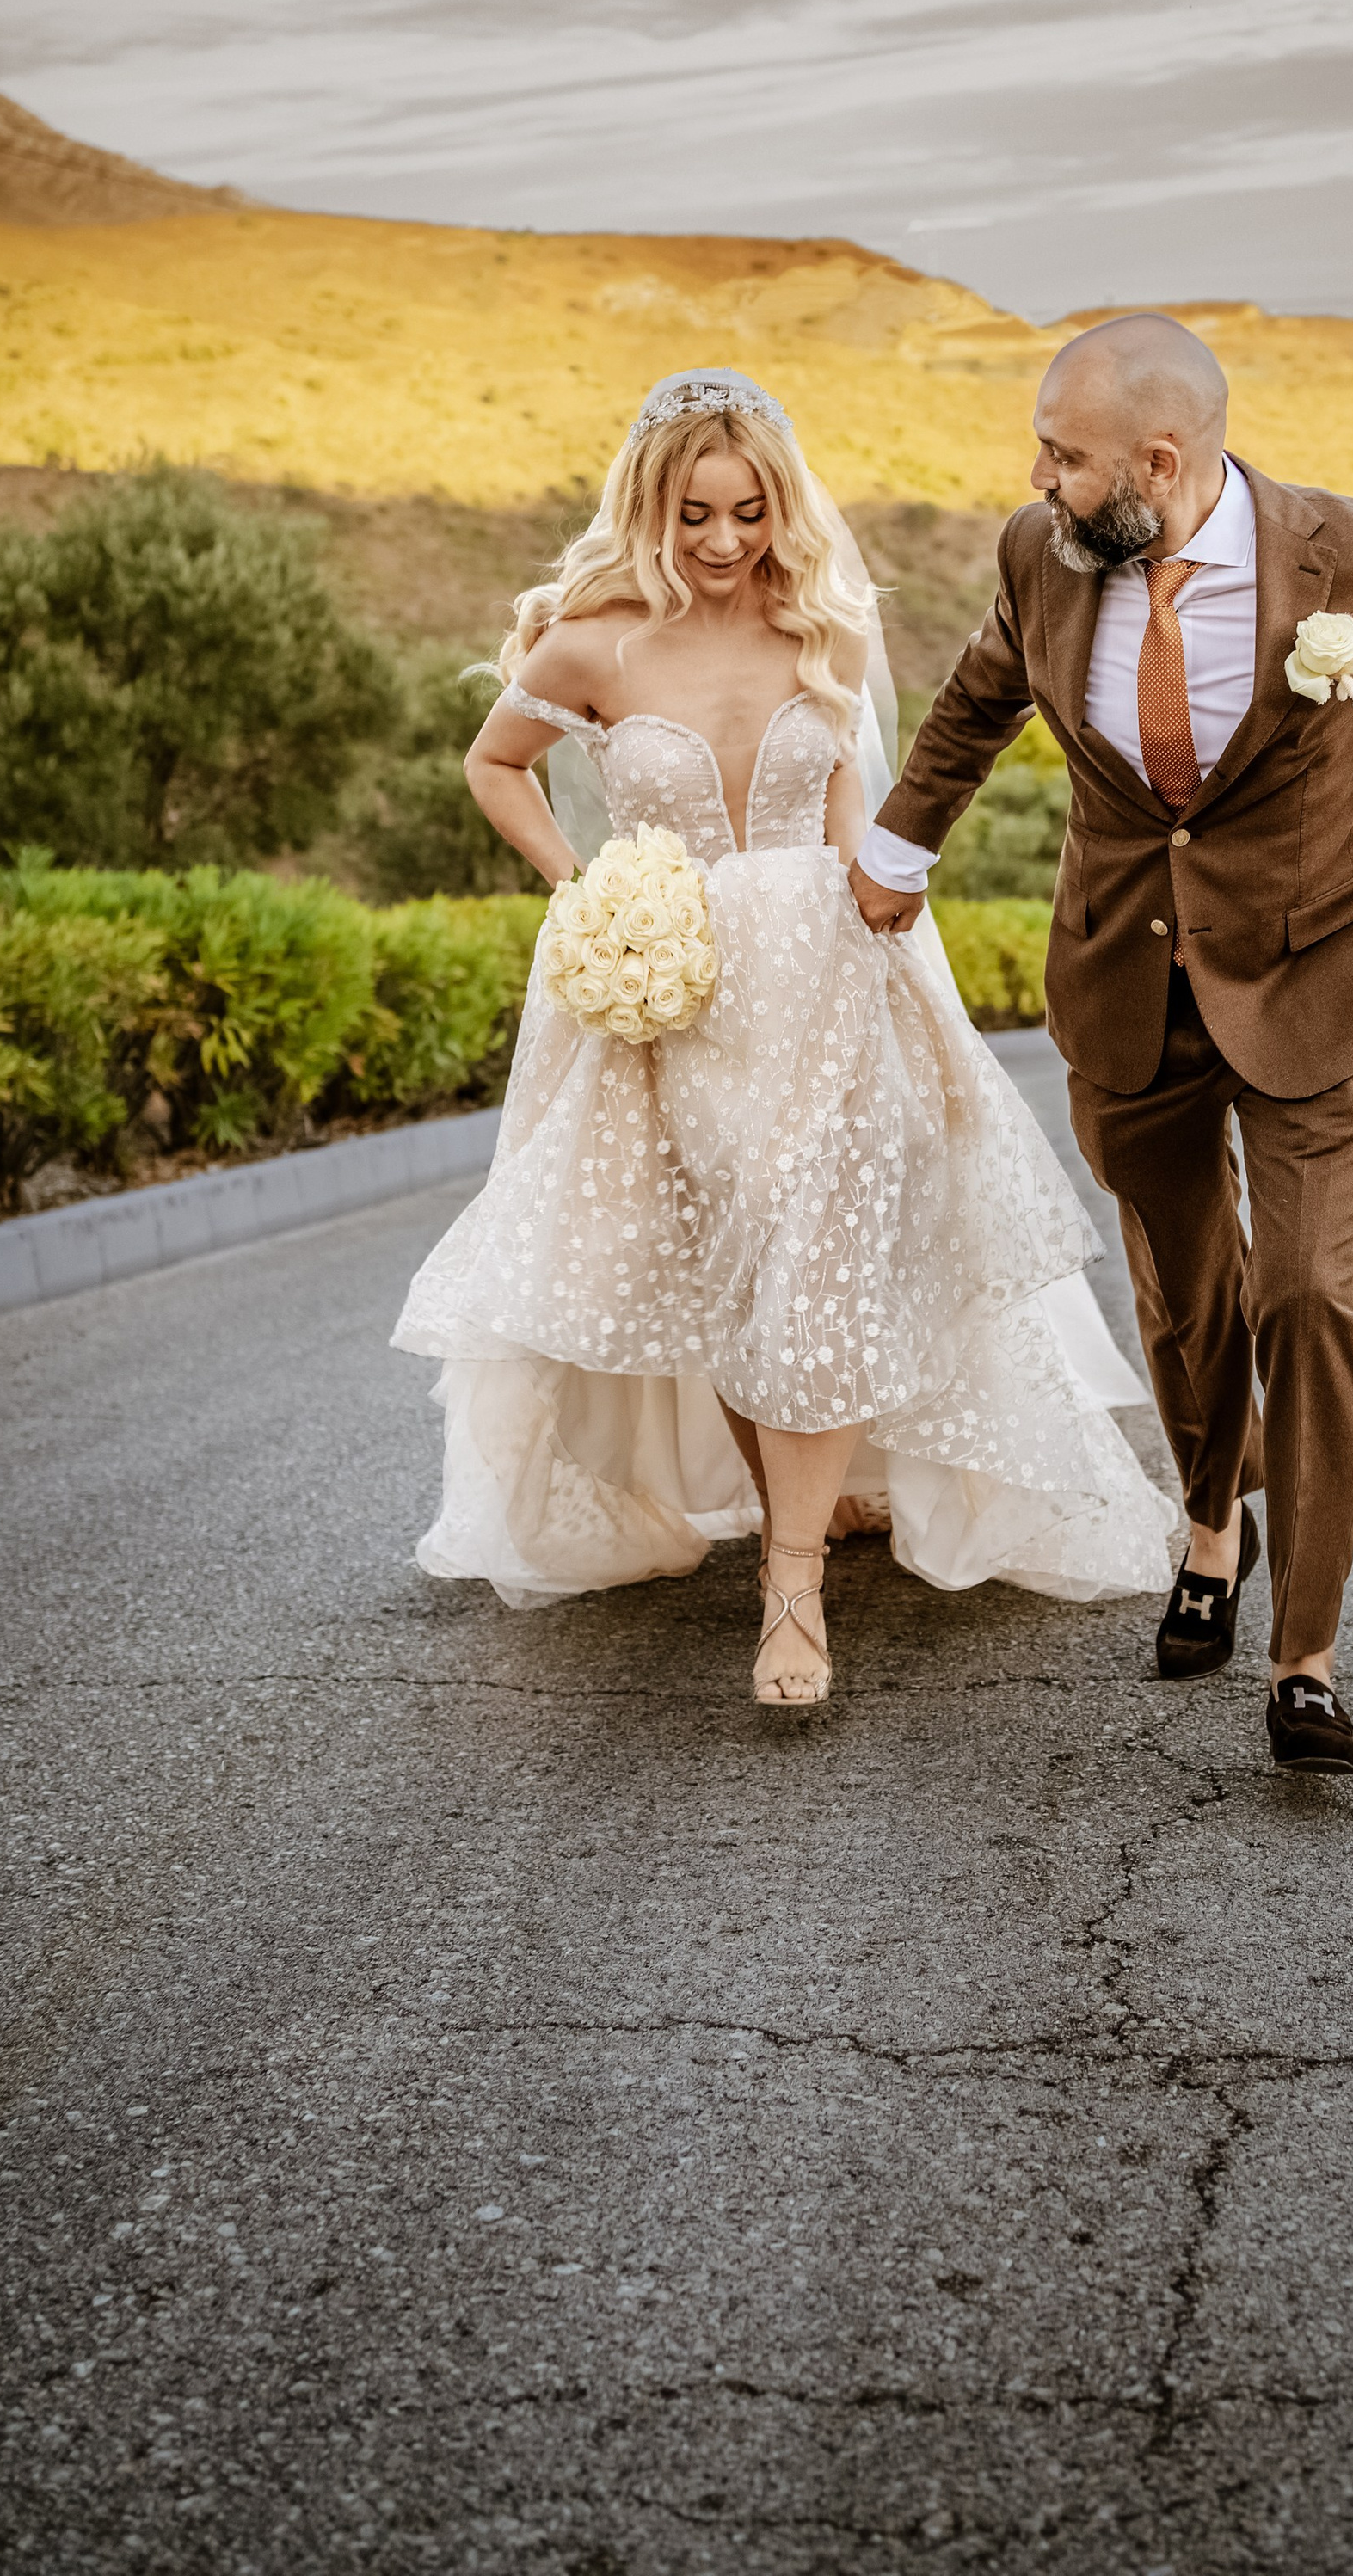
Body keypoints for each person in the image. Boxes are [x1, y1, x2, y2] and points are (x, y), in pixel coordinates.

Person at [851, 314, 1353, 1774]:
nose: (1039, 476)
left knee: (1309, 1297)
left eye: (1063, 456)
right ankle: (1213, 1522)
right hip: (1127, 987)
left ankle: (1304, 1657)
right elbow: (970, 710)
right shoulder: (1037, 558)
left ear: (1160, 460)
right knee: (1192, 1303)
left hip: (1316, 979)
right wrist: (895, 851)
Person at [393, 370, 1176, 1706]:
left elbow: (853, 811)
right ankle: (803, 1512)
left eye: (749, 512)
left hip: (828, 977)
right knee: (747, 1276)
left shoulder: (827, 626)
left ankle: (793, 1593)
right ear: (651, 502)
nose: (721, 543)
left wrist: (887, 962)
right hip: (679, 1006)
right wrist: (584, 890)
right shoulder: (594, 640)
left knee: (819, 1262)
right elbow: (493, 764)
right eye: (695, 513)